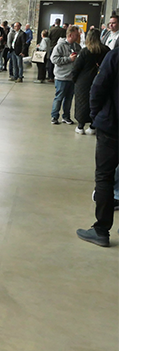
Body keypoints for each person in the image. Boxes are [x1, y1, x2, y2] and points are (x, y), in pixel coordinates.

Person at [77, 48, 118, 247]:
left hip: (112, 127)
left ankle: (101, 229)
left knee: (105, 177)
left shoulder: (117, 55)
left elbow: (98, 88)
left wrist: (95, 116)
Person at [71, 28, 110, 135]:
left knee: (82, 103)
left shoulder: (85, 51)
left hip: (83, 82)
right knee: (98, 102)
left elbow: (76, 68)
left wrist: (74, 79)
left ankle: (80, 126)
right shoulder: (106, 50)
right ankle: (93, 126)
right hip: (100, 80)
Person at [50, 25, 81, 125]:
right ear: (71, 35)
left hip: (72, 78)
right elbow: (54, 59)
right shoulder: (60, 46)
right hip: (61, 77)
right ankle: (54, 116)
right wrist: (68, 59)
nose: (78, 37)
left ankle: (66, 116)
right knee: (59, 97)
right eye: (76, 35)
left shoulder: (77, 46)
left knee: (69, 99)